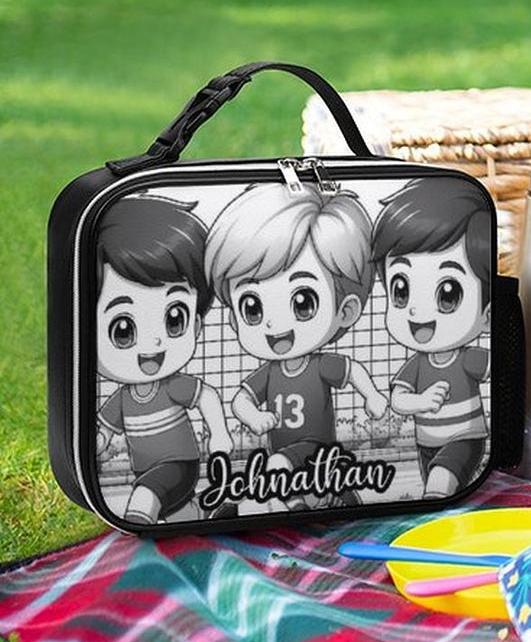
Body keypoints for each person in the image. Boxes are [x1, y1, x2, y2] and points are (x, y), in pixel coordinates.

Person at [205, 183, 389, 478]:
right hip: (284, 454)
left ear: (346, 311)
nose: (274, 324)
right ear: (233, 320)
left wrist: (373, 395)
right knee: (284, 478)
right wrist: (254, 416)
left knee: (278, 469)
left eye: (303, 302)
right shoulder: (269, 373)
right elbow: (241, 399)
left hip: (317, 450)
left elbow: (352, 369)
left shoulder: (319, 365)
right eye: (252, 307)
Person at [94, 194, 232, 524]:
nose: (154, 341)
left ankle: (140, 560)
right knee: (178, 516)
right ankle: (207, 512)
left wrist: (220, 433)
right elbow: (104, 429)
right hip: (147, 470)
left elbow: (207, 396)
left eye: (174, 319)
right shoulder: (123, 399)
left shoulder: (173, 386)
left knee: (146, 499)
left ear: (196, 324)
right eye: (123, 328)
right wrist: (96, 445)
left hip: (179, 465)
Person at [372, 176, 493, 498]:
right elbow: (399, 400)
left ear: (487, 313)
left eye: (448, 294)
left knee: (441, 483)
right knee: (435, 487)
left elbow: (499, 370)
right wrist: (421, 402)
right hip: (425, 442)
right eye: (401, 290)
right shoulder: (416, 365)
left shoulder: (469, 357)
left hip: (465, 438)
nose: (418, 311)